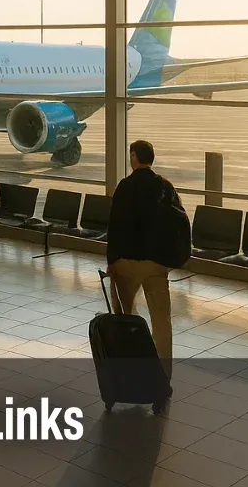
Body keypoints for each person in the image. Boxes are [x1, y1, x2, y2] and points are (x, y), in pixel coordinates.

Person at [108, 140, 179, 378]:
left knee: (124, 317)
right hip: (155, 263)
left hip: (126, 262)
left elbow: (114, 226)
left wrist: (111, 261)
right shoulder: (165, 187)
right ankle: (163, 376)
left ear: (135, 157)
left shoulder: (125, 187)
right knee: (161, 322)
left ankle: (128, 370)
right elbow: (177, 223)